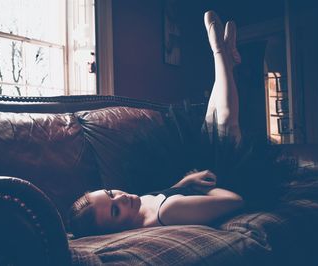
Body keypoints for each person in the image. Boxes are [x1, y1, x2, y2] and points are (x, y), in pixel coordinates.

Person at [69, 10, 247, 238]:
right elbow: (235, 201)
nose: (121, 198)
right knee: (224, 125)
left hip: (203, 180)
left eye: (111, 193)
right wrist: (204, 187)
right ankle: (220, 54)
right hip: (230, 184)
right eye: (115, 210)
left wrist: (185, 182)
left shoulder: (137, 206)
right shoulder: (169, 212)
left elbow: (167, 192)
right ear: (115, 231)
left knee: (209, 124)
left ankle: (227, 65)